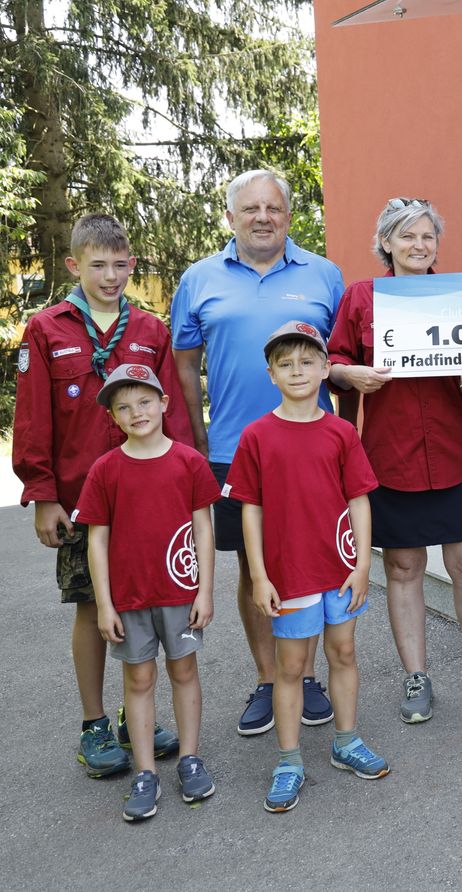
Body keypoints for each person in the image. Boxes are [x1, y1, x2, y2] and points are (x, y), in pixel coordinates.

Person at [13, 213, 191, 777]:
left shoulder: (150, 330)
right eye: (98, 266)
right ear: (74, 265)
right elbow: (34, 416)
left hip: (151, 499)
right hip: (83, 502)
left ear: (132, 264)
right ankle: (93, 725)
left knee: (146, 608)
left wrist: (184, 486)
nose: (111, 276)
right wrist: (42, 492)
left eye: (120, 265)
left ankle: (128, 717)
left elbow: (175, 414)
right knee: (94, 609)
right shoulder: (46, 329)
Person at [171, 169, 345, 736]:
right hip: (231, 448)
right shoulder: (198, 279)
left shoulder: (324, 275)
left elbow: (342, 358)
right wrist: (195, 439)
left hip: (312, 448)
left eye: (273, 208)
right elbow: (183, 367)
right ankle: (270, 679)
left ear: (289, 215)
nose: (263, 217)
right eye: (250, 209)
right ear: (230, 217)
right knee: (255, 566)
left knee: (314, 561)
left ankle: (307, 674)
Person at [327, 198, 462, 723]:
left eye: (427, 236)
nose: (418, 245)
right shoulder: (362, 297)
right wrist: (350, 376)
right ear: (386, 242)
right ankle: (417, 674)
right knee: (404, 565)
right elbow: (335, 358)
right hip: (390, 455)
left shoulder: (458, 297)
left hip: (453, 451)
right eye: (407, 236)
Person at [225, 322, 387, 812]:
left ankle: (345, 740)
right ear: (271, 373)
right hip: (289, 571)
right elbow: (249, 509)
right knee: (291, 667)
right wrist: (259, 574)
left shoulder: (340, 432)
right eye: (285, 363)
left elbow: (359, 501)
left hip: (339, 568)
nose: (297, 370)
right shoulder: (256, 436)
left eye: (307, 361)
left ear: (324, 369)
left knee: (343, 654)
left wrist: (362, 565)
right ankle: (290, 760)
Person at [72, 364, 220, 821]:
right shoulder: (105, 469)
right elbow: (96, 540)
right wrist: (105, 604)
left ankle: (190, 758)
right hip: (130, 598)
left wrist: (206, 590)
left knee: (184, 671)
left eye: (144, 402)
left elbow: (203, 528)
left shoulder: (188, 461)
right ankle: (144, 771)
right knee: (137, 680)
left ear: (164, 404)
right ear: (113, 417)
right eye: (123, 407)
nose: (135, 412)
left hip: (179, 592)